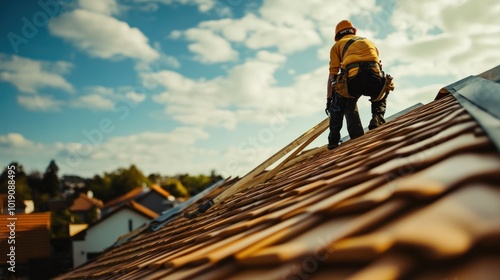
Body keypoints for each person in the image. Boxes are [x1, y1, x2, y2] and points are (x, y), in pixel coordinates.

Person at [326, 19, 392, 150]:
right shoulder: (369, 42)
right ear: (353, 32)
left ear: (338, 36)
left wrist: (329, 99)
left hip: (354, 79)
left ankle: (334, 140)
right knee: (380, 95)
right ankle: (377, 118)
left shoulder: (337, 46)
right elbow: (379, 65)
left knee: (340, 105)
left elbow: (332, 77)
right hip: (375, 78)